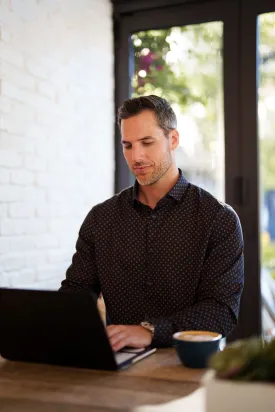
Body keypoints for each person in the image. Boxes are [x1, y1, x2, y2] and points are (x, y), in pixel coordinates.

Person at [59, 95, 244, 352]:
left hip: (187, 364)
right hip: (117, 364)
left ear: (173, 140)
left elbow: (221, 312)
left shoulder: (218, 219)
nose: (136, 157)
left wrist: (151, 331)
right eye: (128, 145)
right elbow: (76, 293)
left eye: (147, 142)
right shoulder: (100, 218)